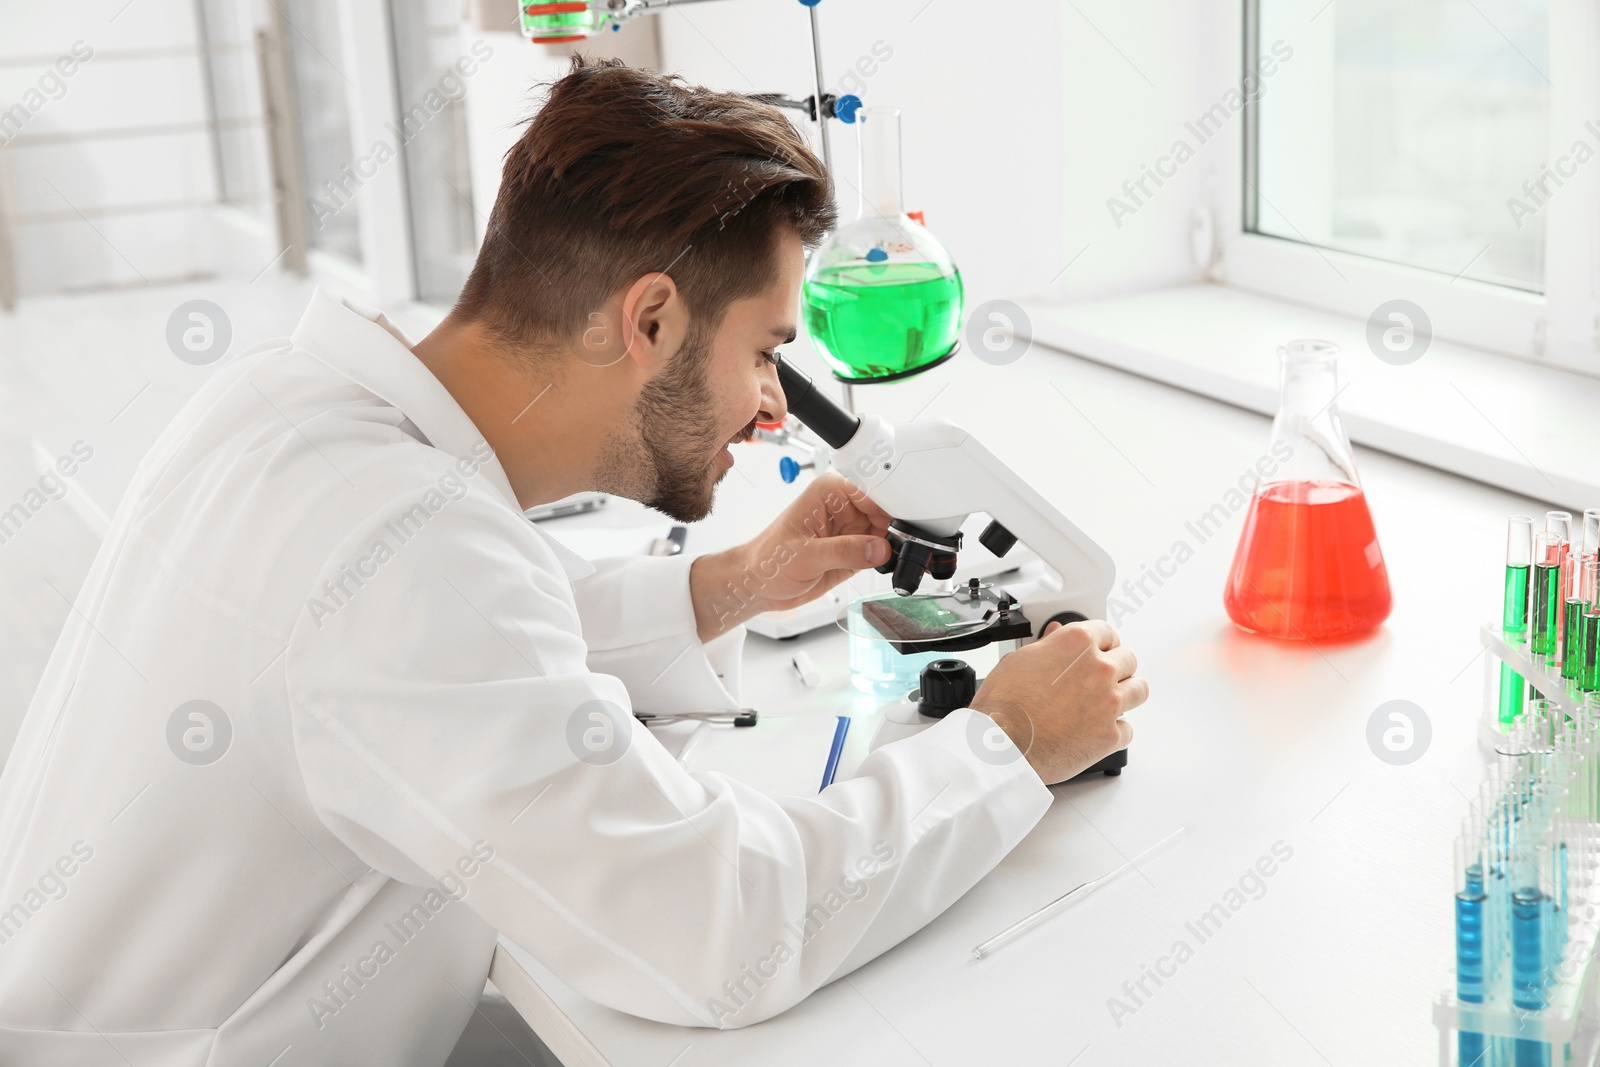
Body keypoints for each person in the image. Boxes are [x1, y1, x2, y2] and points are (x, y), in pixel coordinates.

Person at [0, 56, 1145, 1066]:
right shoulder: (415, 551)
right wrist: (1007, 744)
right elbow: (723, 932)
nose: (764, 411)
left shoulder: (288, 405)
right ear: (647, 320)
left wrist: (735, 582)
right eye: (763, 353)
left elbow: (439, 653)